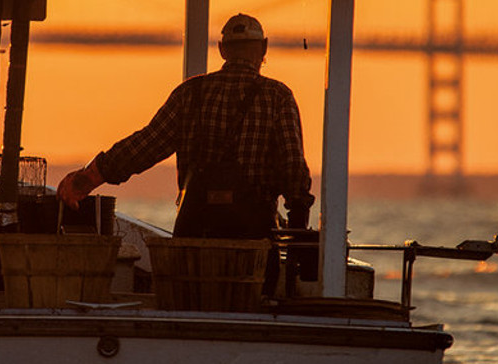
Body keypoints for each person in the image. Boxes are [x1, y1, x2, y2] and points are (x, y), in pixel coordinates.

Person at [57, 13, 314, 238]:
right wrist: (299, 215)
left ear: (222, 49)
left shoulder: (190, 92)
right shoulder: (278, 96)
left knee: (191, 290)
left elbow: (146, 146)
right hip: (252, 238)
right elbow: (292, 166)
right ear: (264, 47)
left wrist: (91, 176)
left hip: (195, 233)